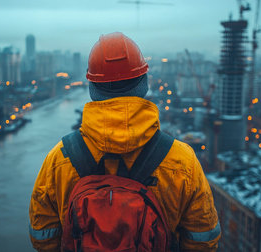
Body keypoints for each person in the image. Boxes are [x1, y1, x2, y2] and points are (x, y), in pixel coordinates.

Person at [29, 32, 220, 251]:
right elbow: (203, 239)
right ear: (144, 84)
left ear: (92, 89)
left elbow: (42, 237)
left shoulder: (59, 159)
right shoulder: (182, 161)